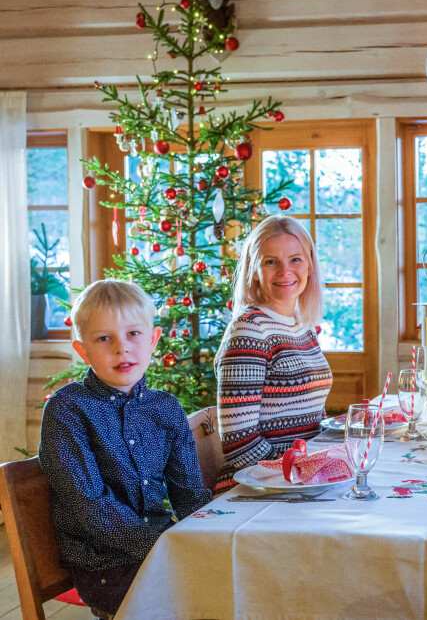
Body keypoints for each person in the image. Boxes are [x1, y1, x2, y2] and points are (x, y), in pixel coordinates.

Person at [39, 280, 211, 618]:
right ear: (83, 350)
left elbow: (189, 493)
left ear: (153, 340)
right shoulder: (67, 410)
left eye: (133, 334)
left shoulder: (166, 409)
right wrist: (163, 549)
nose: (122, 349)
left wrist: (215, 533)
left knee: (242, 582)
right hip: (106, 568)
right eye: (105, 338)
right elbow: (91, 508)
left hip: (162, 550)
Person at [214, 215, 332, 494]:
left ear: (310, 266)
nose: (285, 272)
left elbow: (313, 419)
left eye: (295, 260)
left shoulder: (302, 326)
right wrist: (301, 472)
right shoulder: (249, 331)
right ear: (253, 269)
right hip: (256, 487)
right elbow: (240, 445)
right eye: (271, 262)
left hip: (298, 479)